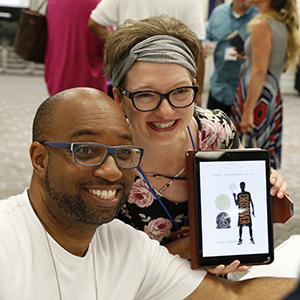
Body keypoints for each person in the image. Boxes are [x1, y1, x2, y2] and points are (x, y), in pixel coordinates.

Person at [0, 87, 296, 300]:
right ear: (40, 159)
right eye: (87, 151)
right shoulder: (7, 243)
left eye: (124, 153)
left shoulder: (128, 246)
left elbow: (234, 297)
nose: (112, 171)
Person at [103, 15, 288, 274]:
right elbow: (105, 263)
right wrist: (194, 249)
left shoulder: (216, 132)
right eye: (146, 95)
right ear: (119, 98)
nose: (166, 112)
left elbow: (235, 203)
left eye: (180, 91)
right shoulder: (105, 163)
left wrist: (264, 182)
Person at [88, 0, 206, 104]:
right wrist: (198, 94)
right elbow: (198, 49)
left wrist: (120, 47)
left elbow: (95, 22)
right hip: (172, 70)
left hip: (133, 72)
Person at [231, 0, 300, 169]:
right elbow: (280, 67)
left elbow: (260, 71)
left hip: (256, 98)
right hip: (271, 97)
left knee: (248, 156)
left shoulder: (262, 25)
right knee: (263, 155)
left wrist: (247, 111)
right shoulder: (282, 25)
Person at [205, 0, 257, 118]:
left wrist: (250, 57)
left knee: (239, 136)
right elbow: (208, 37)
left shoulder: (259, 19)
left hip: (246, 95)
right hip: (218, 89)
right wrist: (207, 45)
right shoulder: (218, 12)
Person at [44, 0, 107, 96]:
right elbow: (108, 43)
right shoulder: (98, 4)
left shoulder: (52, 2)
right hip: (88, 81)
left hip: (57, 77)